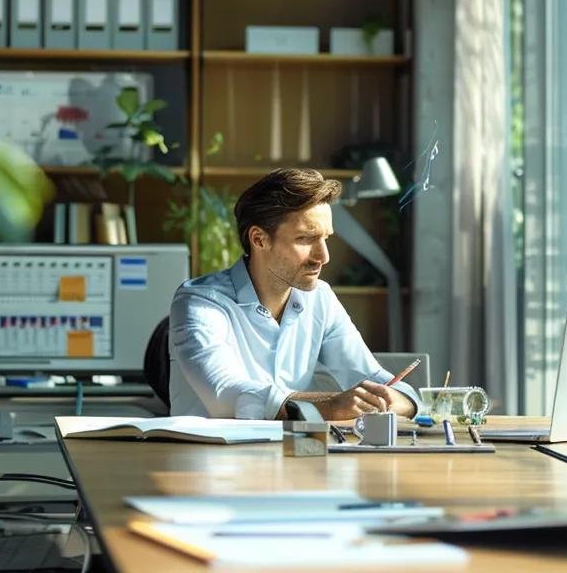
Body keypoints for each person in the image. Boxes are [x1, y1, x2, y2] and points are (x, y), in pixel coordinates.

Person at [168, 167, 419, 420]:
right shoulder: (200, 302)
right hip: (212, 446)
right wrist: (331, 404)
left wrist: (401, 400)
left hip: (293, 446)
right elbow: (225, 393)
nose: (323, 256)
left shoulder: (320, 298)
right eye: (306, 239)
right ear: (259, 239)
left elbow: (375, 379)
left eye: (326, 238)